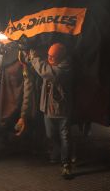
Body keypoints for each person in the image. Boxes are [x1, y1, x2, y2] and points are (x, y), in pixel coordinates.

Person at [27, 43, 74, 179]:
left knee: (65, 137)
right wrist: (28, 54)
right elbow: (39, 67)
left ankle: (66, 164)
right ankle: (63, 153)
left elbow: (46, 71)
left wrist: (34, 58)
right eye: (48, 56)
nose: (49, 58)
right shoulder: (52, 63)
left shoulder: (65, 68)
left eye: (52, 57)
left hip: (62, 110)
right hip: (48, 109)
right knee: (50, 135)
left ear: (60, 57)